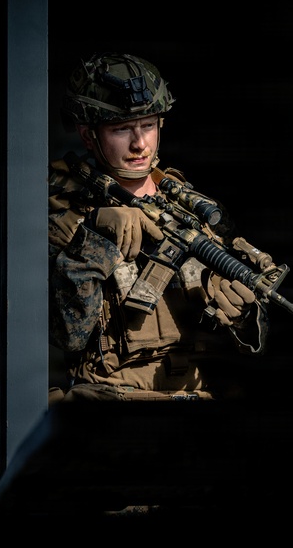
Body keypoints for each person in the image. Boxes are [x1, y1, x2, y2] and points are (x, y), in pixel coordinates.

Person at [47, 52, 269, 403]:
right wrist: (95, 237)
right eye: (121, 129)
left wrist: (243, 317)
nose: (140, 144)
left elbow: (248, 350)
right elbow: (66, 334)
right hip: (109, 403)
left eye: (148, 125)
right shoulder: (61, 209)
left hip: (196, 400)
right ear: (88, 135)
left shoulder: (193, 209)